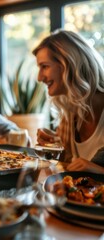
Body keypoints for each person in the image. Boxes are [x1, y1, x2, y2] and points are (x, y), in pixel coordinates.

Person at [33, 30, 104, 174]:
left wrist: (98, 170)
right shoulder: (70, 112)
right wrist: (54, 144)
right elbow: (69, 165)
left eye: (44, 66)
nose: (39, 77)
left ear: (68, 64)